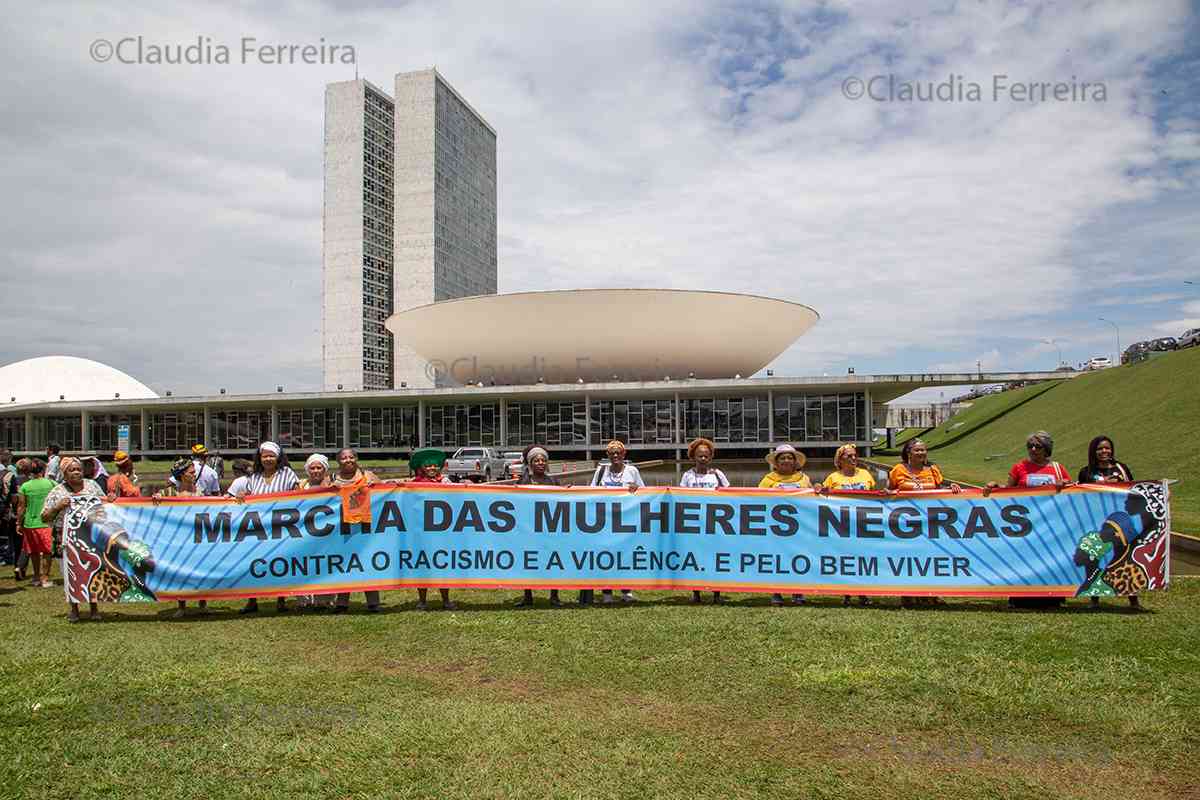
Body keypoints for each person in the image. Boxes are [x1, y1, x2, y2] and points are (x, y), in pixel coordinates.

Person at [985, 431, 1071, 609]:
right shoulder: (1019, 467)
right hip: (1023, 524)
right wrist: (995, 487)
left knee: (1050, 558)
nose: (1033, 449)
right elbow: (1008, 491)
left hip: (1050, 524)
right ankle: (1020, 597)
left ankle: (1053, 597)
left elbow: (1072, 492)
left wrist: (1064, 486)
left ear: (1046, 448)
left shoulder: (1057, 468)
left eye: (1037, 446)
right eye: (1030, 446)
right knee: (1023, 558)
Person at [235, 442, 300, 615]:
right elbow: (248, 497)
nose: (268, 459)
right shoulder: (254, 477)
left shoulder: (287, 473)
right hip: (258, 527)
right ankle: (252, 600)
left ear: (278, 457)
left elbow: (298, 494)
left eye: (272, 456)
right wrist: (243, 496)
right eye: (265, 456)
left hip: (281, 526)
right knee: (254, 561)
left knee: (281, 561)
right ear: (260, 458)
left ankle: (281, 599)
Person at [40, 457, 106, 621]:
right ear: (64, 474)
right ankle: (74, 609)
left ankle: (94, 609)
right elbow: (44, 516)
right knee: (70, 574)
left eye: (78, 469)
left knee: (92, 571)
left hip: (90, 537)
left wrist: (110, 499)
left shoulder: (92, 486)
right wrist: (58, 506)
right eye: (72, 470)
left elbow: (105, 505)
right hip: (66, 539)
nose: (76, 472)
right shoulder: (58, 492)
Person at [1076, 436, 1138, 609]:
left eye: (1107, 448)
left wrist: (1160, 494)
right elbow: (1079, 494)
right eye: (1100, 449)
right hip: (1095, 520)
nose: (1104, 451)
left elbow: (1133, 490)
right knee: (1095, 557)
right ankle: (1095, 599)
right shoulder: (1086, 472)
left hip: (1120, 519)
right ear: (1093, 452)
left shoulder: (1121, 469)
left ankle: (1133, 599)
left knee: (1125, 556)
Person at [820, 444, 877, 607]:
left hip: (863, 523)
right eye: (848, 456)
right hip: (842, 525)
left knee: (863, 558)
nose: (853, 458)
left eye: (855, 455)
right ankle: (846, 592)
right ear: (840, 459)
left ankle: (864, 593)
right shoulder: (833, 478)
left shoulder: (866, 474)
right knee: (845, 558)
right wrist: (818, 488)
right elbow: (822, 495)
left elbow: (875, 494)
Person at [590, 440, 644, 605]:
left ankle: (626, 591)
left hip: (626, 520)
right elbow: (590, 491)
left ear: (623, 454)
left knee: (625, 556)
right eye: (612, 453)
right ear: (607, 455)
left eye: (618, 453)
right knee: (606, 556)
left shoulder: (632, 470)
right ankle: (607, 592)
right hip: (605, 520)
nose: (615, 456)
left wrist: (636, 489)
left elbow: (644, 491)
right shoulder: (601, 471)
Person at [153, 459, 208, 617]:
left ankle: (202, 603)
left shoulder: (199, 492)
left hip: (197, 537)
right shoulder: (169, 493)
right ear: (182, 475)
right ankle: (182, 605)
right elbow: (155, 501)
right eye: (191, 472)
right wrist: (156, 498)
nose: (194, 474)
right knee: (181, 571)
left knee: (200, 569)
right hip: (178, 540)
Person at [759, 444, 811, 606]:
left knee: (799, 558)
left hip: (800, 528)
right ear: (776, 462)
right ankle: (776, 592)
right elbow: (757, 499)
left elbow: (812, 501)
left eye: (790, 457)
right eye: (782, 458)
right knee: (777, 559)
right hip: (776, 529)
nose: (786, 460)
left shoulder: (804, 479)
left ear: (795, 461)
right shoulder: (768, 480)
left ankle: (798, 592)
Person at [331, 449, 382, 614]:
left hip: (365, 526)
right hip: (343, 528)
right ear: (338, 461)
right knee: (345, 564)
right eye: (344, 458)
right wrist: (332, 490)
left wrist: (373, 487)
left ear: (356, 458)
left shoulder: (368, 476)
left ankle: (373, 602)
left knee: (367, 562)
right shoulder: (332, 479)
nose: (348, 460)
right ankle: (342, 603)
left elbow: (385, 493)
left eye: (351, 457)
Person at [680, 438, 728, 604]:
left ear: (710, 457)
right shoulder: (687, 476)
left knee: (715, 558)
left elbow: (730, 495)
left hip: (715, 524)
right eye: (699, 456)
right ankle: (696, 593)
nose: (703, 459)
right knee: (695, 558)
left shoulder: (717, 474)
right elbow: (681, 497)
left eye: (706, 456)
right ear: (693, 457)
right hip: (694, 524)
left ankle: (717, 593)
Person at [407, 448, 455, 611]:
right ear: (422, 468)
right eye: (428, 466)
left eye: (435, 466)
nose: (432, 469)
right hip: (421, 532)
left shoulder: (446, 483)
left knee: (443, 565)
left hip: (443, 531)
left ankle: (446, 599)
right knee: (422, 565)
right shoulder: (413, 485)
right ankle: (422, 600)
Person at [515, 446, 563, 608]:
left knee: (552, 562)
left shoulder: (554, 481)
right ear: (530, 463)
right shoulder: (523, 482)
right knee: (527, 562)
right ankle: (527, 595)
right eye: (536, 460)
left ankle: (554, 596)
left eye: (543, 460)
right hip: (529, 530)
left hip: (550, 528)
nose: (540, 463)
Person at [16, 459, 56, 589]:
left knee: (33, 552)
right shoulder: (51, 483)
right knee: (47, 552)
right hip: (46, 523)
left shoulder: (25, 486)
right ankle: (45, 578)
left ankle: (36, 577)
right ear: (43, 470)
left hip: (29, 523)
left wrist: (18, 523)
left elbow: (21, 507)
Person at [888, 439, 962, 492]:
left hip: (929, 511)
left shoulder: (932, 469)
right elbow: (889, 491)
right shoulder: (899, 469)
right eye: (917, 450)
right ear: (909, 453)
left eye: (923, 450)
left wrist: (950, 488)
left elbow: (939, 490)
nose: (920, 453)